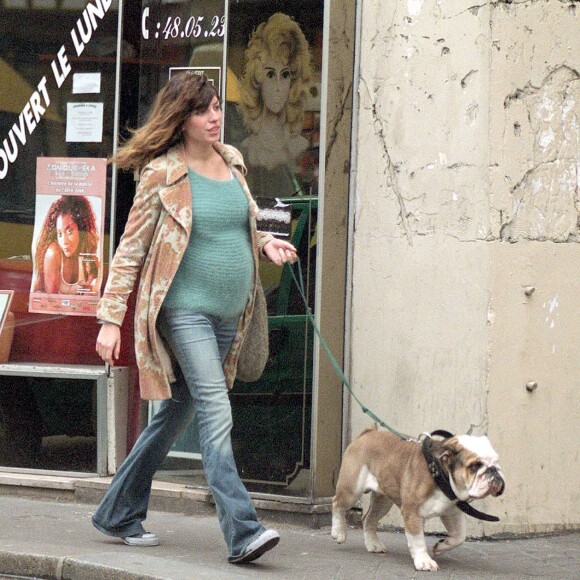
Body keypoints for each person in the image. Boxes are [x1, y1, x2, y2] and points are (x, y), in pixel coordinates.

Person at [92, 72, 297, 564]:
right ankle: (243, 530)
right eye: (203, 110)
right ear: (181, 119)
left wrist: (267, 243)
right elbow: (130, 251)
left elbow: (243, 224)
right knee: (214, 409)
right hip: (185, 312)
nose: (214, 117)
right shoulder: (162, 175)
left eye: (218, 107)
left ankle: (118, 511)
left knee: (176, 414)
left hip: (231, 315)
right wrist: (109, 319)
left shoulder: (232, 163)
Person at [238, 12, 312, 198]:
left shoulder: (301, 147)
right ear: (258, 79)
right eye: (270, 75)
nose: (279, 87)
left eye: (285, 75)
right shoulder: (245, 152)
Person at [32, 195, 99, 295]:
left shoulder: (86, 251)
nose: (64, 241)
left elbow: (87, 295)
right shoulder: (54, 253)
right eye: (59, 234)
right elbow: (50, 302)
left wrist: (90, 281)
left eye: (69, 231)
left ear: (81, 228)